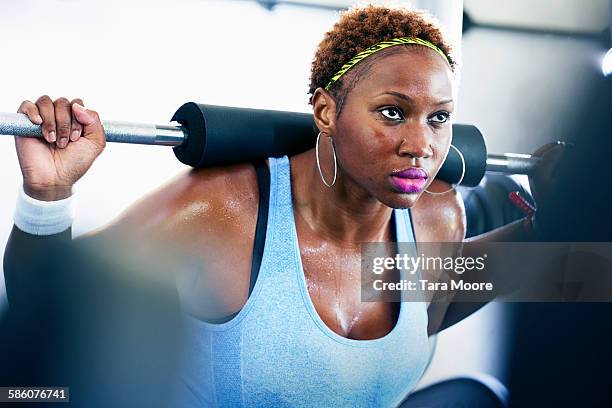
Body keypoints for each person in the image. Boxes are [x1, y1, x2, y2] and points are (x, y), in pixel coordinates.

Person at [4, 5, 565, 407]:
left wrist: (557, 223)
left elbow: (431, 306)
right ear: (325, 112)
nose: (421, 144)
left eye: (438, 117)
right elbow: (48, 310)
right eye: (392, 112)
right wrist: (49, 194)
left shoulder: (436, 215)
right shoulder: (223, 214)